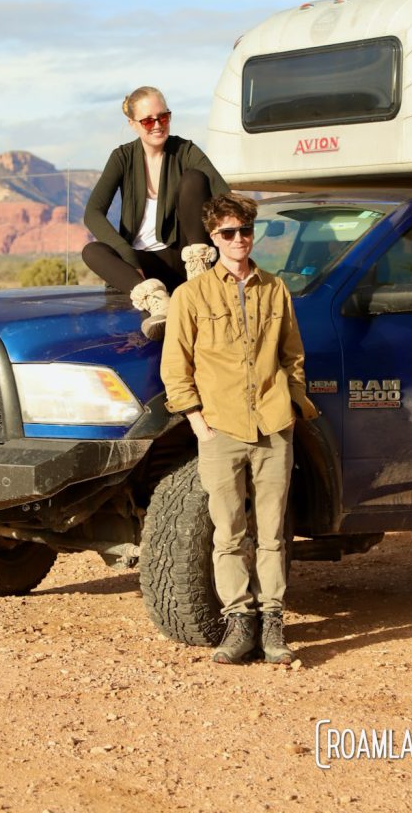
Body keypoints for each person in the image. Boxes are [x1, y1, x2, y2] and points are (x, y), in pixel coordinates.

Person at [160, 193, 318, 665]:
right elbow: (176, 365)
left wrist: (292, 402)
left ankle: (273, 622)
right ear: (213, 239)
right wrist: (195, 419)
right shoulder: (191, 296)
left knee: (271, 532)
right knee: (228, 533)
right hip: (220, 429)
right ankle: (238, 622)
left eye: (245, 231)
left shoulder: (275, 289)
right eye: (228, 233)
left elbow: (293, 354)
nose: (238, 240)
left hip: (273, 425)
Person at [82, 86, 229, 339]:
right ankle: (157, 301)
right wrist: (127, 255)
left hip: (182, 259)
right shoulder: (122, 158)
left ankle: (198, 274)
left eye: (164, 117)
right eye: (148, 120)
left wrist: (235, 235)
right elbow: (92, 213)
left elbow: (222, 192)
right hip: (141, 266)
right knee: (91, 251)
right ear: (133, 124)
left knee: (194, 179)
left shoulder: (185, 150)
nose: (158, 125)